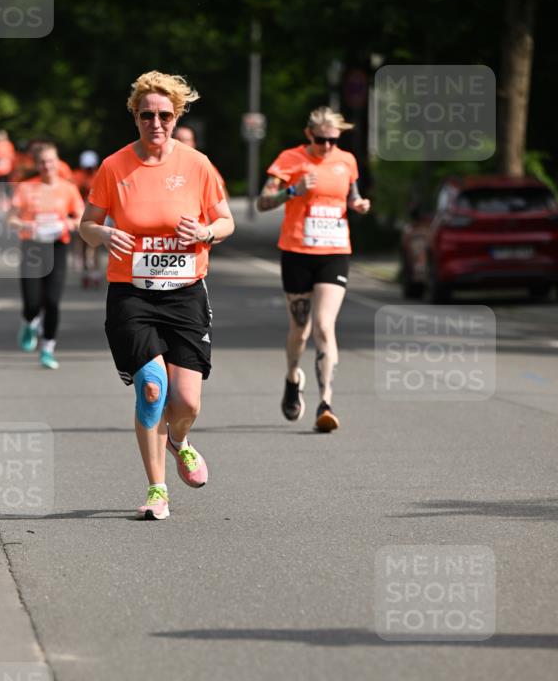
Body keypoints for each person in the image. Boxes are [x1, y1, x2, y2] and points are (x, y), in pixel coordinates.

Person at [80, 70, 234, 520]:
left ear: (177, 115)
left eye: (165, 115)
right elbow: (86, 225)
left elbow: (225, 221)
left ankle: (178, 440)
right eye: (147, 115)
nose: (156, 123)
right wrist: (104, 235)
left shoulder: (197, 165)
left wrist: (205, 232)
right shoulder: (114, 167)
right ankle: (156, 489)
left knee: (186, 402)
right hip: (132, 294)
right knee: (152, 388)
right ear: (135, 116)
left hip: (185, 293)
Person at [257, 106, 370, 432]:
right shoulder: (290, 159)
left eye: (333, 140)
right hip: (297, 253)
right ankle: (293, 377)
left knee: (324, 325)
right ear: (309, 134)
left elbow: (353, 195)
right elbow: (262, 202)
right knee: (300, 330)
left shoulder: (346, 161)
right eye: (321, 140)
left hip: (334, 252)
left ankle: (325, 403)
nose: (327, 146)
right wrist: (293, 190)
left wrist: (358, 204)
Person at [8, 143, 84, 369]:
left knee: (52, 301)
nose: (47, 166)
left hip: (57, 246)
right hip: (32, 246)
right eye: (42, 162)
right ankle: (28, 321)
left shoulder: (68, 188)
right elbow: (11, 218)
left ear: (58, 162)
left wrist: (69, 223)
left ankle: (48, 349)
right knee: (32, 302)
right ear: (36, 164)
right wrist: (26, 225)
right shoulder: (26, 188)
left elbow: (81, 217)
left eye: (51, 161)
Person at [72, 151, 102, 287]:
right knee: (83, 243)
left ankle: (95, 271)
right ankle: (85, 271)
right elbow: (75, 195)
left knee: (95, 244)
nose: (89, 169)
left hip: (98, 212)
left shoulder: (100, 175)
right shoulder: (78, 176)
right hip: (83, 212)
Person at [174, 124, 228, 199]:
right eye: (177, 139)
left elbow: (221, 194)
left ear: (193, 143)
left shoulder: (203, 164)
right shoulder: (165, 163)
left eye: (185, 140)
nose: (181, 143)